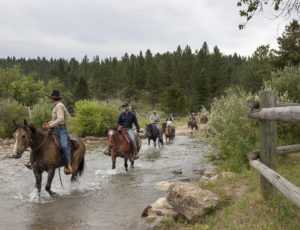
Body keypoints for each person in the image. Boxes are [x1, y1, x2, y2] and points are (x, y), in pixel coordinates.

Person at [43, 90, 73, 175]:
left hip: (61, 130)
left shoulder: (59, 106)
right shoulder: (56, 105)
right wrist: (48, 123)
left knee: (64, 146)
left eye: (51, 97)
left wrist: (50, 126)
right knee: (42, 140)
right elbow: (54, 120)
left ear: (53, 98)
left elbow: (60, 119)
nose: (51, 99)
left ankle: (68, 164)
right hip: (55, 129)